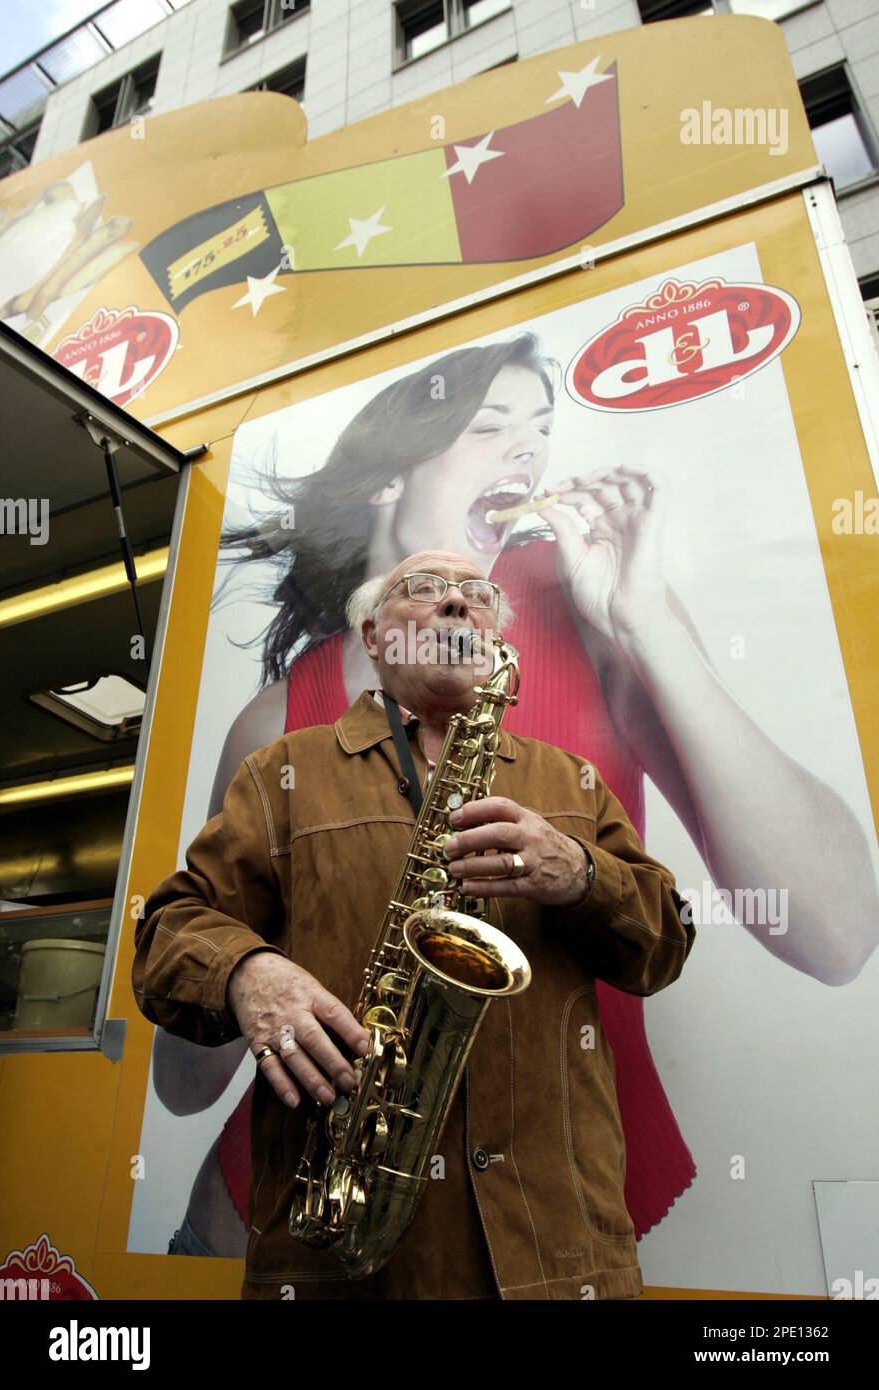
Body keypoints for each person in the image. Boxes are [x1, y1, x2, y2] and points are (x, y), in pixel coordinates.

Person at [153, 330, 878, 1263]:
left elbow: (837, 931)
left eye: (540, 429)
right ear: (387, 477)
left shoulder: (593, 608)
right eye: (489, 425)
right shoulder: (273, 725)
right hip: (295, 1217)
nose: (529, 453)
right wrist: (246, 973)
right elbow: (185, 1083)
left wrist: (645, 620)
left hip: (544, 1220)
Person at [134, 550, 695, 1299]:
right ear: (372, 636)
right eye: (425, 590)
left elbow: (663, 948)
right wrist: (245, 972)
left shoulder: (572, 781)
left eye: (478, 595)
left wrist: (581, 873)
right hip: (341, 1255)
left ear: (496, 637)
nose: (458, 605)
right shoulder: (282, 772)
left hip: (553, 1250)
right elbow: (169, 928)